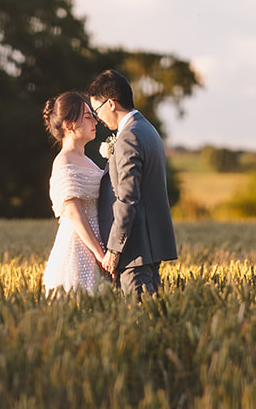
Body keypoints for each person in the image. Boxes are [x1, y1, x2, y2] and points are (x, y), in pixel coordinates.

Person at [87, 69, 177, 296]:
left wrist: (115, 249)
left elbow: (127, 198)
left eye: (97, 110)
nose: (97, 118)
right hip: (150, 246)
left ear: (111, 104)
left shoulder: (129, 136)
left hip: (134, 250)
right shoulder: (147, 129)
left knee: (137, 318)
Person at [40, 91, 111, 294]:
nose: (95, 121)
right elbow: (74, 213)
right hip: (80, 248)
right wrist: (100, 255)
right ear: (69, 125)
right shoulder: (64, 162)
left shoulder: (87, 161)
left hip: (99, 244)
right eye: (88, 117)